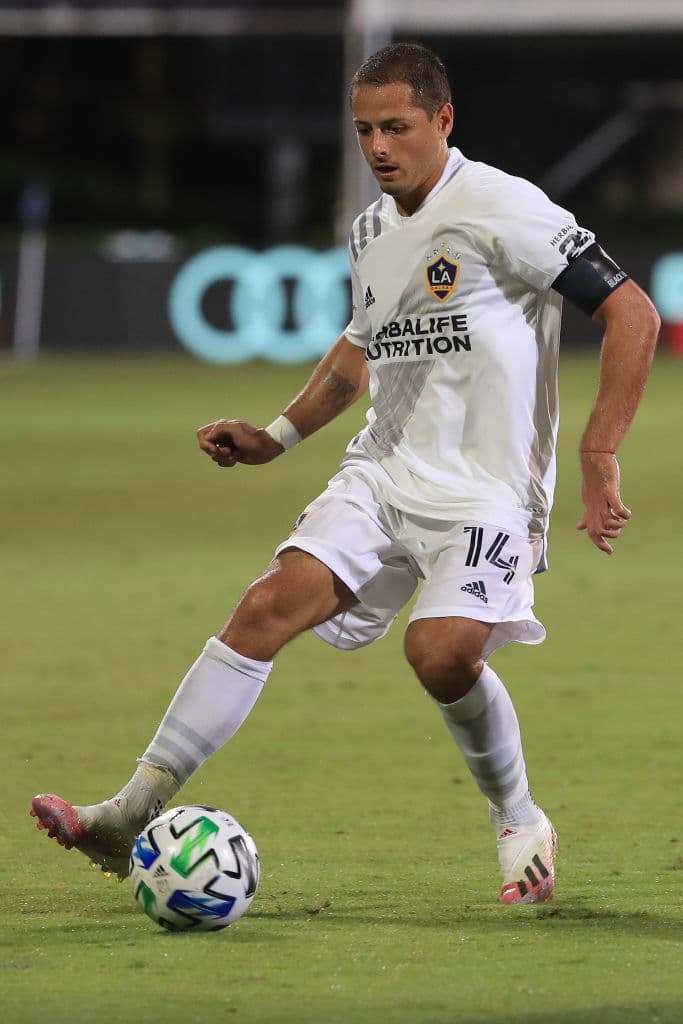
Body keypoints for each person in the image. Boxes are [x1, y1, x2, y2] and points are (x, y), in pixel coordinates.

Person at [31, 43, 660, 905]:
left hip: (486, 489)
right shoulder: (370, 230)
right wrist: (275, 437)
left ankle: (519, 820)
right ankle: (128, 813)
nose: (376, 147)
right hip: (384, 470)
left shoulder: (501, 206)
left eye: (395, 127)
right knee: (263, 609)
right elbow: (359, 352)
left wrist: (597, 453)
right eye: (363, 129)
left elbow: (632, 311)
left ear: (442, 121)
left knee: (439, 656)